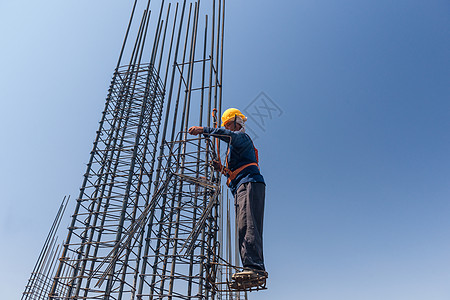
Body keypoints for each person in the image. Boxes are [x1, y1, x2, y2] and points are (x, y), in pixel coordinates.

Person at [188, 108, 267, 284]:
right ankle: (251, 267)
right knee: (243, 226)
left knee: (248, 224)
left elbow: (227, 135)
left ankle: (255, 268)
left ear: (236, 122)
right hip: (243, 184)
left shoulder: (241, 138)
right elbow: (234, 173)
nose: (227, 127)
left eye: (228, 124)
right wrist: (222, 170)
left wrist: (204, 129)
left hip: (249, 183)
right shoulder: (235, 148)